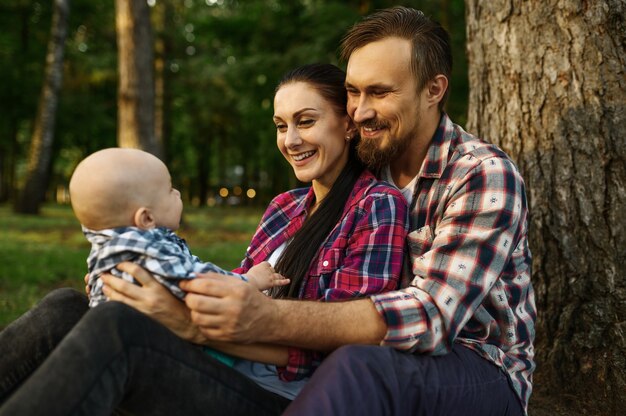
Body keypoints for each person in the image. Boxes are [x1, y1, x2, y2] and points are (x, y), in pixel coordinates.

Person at [172, 7, 536, 416]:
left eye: (379, 93)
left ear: (433, 90)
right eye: (353, 92)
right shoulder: (363, 165)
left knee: (358, 364)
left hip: (477, 368)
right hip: (364, 365)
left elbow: (431, 316)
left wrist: (263, 317)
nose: (359, 111)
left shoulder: (480, 173)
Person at [0, 63, 408, 415]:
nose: (290, 140)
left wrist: (190, 325)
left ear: (349, 125)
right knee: (65, 306)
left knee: (116, 328)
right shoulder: (285, 206)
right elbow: (234, 290)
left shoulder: (376, 206)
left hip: (286, 398)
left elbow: (341, 346)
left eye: (305, 121)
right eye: (281, 126)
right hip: (223, 365)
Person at [68, 147, 285, 308]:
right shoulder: (143, 247)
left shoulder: (110, 245)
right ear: (146, 218)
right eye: (170, 189)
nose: (178, 193)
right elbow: (199, 281)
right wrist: (249, 280)